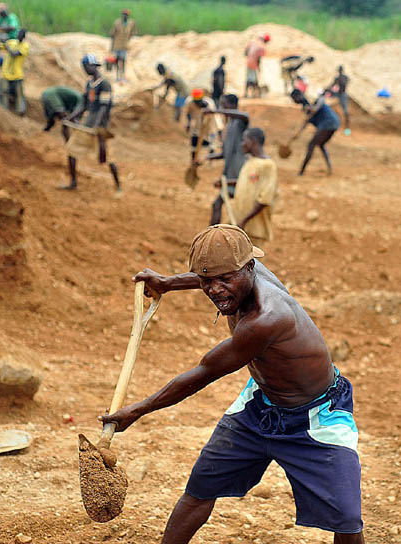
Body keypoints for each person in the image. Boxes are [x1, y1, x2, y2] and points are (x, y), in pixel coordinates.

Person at [100, 224, 365, 544]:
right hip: (259, 405)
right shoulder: (241, 269)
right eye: (206, 281)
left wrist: (138, 410)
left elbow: (203, 373)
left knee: (347, 518)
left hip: (315, 416)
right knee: (200, 488)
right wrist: (168, 283)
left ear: (250, 268)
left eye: (225, 280)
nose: (215, 290)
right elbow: (215, 275)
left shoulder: (266, 318)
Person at [58, 54, 121, 193]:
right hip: (88, 124)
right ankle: (73, 182)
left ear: (94, 66)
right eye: (84, 66)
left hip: (101, 127)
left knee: (109, 157)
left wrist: (96, 126)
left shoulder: (104, 84)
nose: (85, 69)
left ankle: (118, 186)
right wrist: (70, 118)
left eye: (87, 66)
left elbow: (104, 108)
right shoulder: (89, 84)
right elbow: (84, 105)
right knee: (72, 150)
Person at [199, 93, 248, 225]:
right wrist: (205, 158)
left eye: (224, 104)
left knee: (241, 211)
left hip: (240, 172)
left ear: (232, 105)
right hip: (229, 173)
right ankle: (212, 237)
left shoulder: (240, 122)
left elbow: (245, 116)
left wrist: (214, 111)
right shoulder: (229, 126)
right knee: (217, 204)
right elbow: (224, 153)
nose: (222, 107)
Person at [229, 128, 278, 245]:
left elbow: (265, 198)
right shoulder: (250, 161)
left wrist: (244, 221)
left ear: (253, 142)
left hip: (252, 228)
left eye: (244, 140)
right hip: (240, 225)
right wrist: (226, 183)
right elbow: (246, 183)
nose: (242, 144)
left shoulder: (268, 166)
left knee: (251, 260)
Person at [290, 89, 340, 176]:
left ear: (297, 97)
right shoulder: (306, 107)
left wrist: (311, 108)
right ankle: (329, 168)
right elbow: (307, 120)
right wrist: (298, 134)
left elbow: (317, 106)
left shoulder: (314, 100)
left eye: (294, 99)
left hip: (328, 123)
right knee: (321, 144)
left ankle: (302, 171)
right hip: (333, 124)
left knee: (311, 144)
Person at [182, 88, 222, 164]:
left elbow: (213, 116)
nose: (197, 103)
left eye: (198, 101)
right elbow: (188, 113)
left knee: (211, 144)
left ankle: (210, 162)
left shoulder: (209, 103)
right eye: (195, 101)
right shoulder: (189, 101)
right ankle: (193, 161)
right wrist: (188, 123)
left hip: (210, 127)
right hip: (197, 127)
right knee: (194, 144)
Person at [0, 28, 28, 116]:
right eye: (18, 34)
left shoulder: (25, 46)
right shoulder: (12, 42)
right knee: (3, 92)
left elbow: (14, 54)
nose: (19, 35)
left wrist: (6, 46)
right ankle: (4, 112)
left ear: (24, 36)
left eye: (21, 34)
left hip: (17, 75)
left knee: (19, 95)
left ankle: (20, 112)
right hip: (6, 74)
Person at [110, 8, 135, 83]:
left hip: (124, 46)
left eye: (126, 15)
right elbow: (112, 34)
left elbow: (131, 34)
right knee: (117, 61)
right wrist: (111, 46)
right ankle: (117, 76)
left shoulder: (131, 23)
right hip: (117, 45)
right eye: (124, 14)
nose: (125, 16)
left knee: (123, 61)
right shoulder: (117, 23)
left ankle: (123, 77)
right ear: (122, 15)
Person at [244, 33, 268, 98]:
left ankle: (246, 93)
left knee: (249, 78)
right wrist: (259, 67)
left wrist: (249, 57)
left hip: (248, 62)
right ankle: (255, 94)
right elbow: (259, 58)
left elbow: (245, 52)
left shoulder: (252, 42)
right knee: (253, 79)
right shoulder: (262, 46)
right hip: (254, 64)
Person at [328, 65, 350, 135]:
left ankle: (347, 127)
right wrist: (328, 89)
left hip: (342, 94)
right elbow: (332, 85)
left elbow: (344, 84)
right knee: (329, 104)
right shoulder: (338, 78)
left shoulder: (344, 78)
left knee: (345, 111)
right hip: (338, 94)